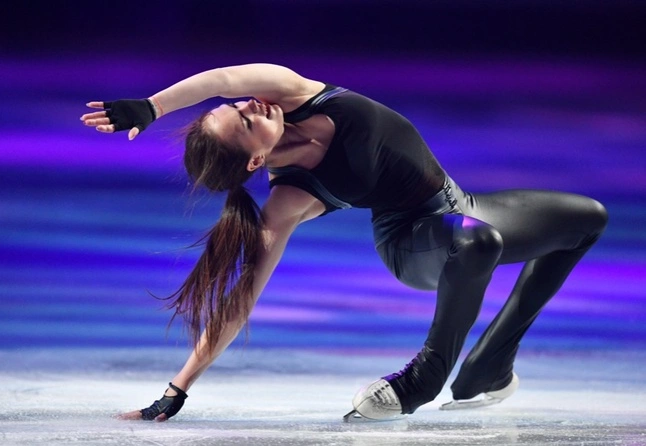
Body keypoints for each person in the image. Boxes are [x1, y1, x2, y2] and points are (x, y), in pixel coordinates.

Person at [80, 63, 608, 421]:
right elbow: (241, 300)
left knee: (588, 219)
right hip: (414, 243)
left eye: (238, 105)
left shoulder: (291, 92)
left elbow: (220, 78)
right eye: (245, 119)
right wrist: (177, 390)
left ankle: (488, 365)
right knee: (475, 244)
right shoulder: (291, 198)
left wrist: (152, 106)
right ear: (256, 160)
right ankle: (422, 381)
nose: (250, 103)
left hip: (465, 206)